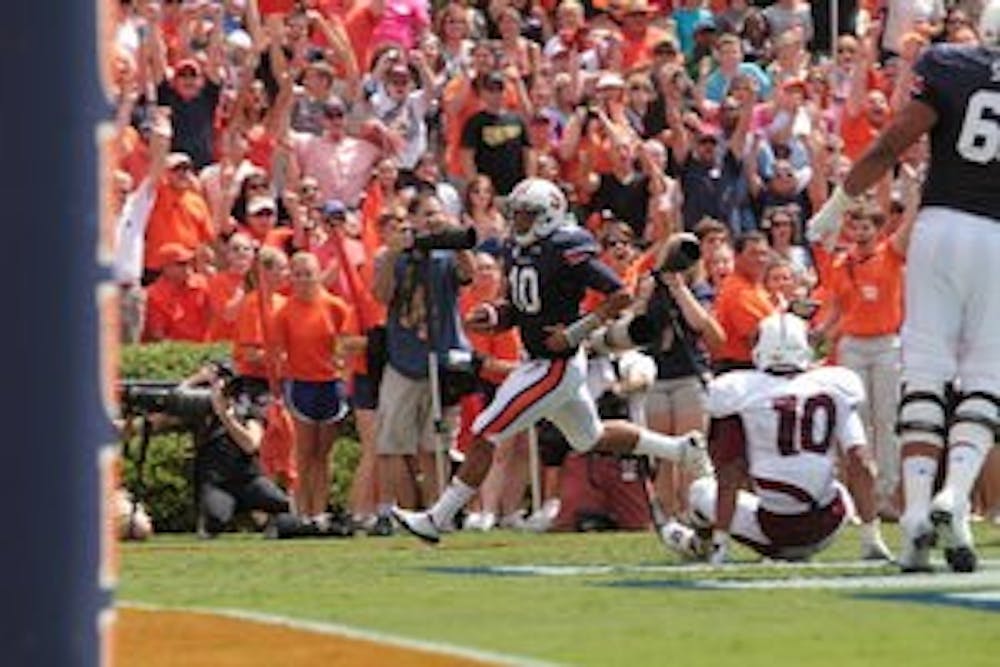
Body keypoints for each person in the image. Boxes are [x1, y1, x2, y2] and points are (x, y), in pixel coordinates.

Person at [392, 178, 713, 544]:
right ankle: (680, 449)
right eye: (515, 215)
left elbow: (619, 295)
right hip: (542, 360)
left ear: (549, 216)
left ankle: (438, 518)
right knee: (589, 437)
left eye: (527, 216)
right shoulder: (515, 247)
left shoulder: (566, 246)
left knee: (485, 431)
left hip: (554, 364)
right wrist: (494, 316)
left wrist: (575, 333)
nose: (518, 223)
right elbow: (520, 306)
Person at [806, 3, 1000, 573]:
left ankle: (917, 512)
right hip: (996, 235)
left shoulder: (949, 64)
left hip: (939, 228)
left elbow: (892, 143)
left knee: (925, 369)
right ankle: (954, 493)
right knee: (986, 376)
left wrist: (840, 204)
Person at [661, 313, 891, 564]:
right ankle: (872, 541)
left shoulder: (740, 389)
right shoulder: (836, 386)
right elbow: (861, 463)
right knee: (834, 488)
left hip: (773, 531)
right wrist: (871, 535)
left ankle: (704, 545)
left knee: (700, 491)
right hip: (829, 523)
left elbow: (730, 473)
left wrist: (722, 543)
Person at [273, 252, 359, 520]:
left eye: (308, 273)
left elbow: (348, 341)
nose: (303, 280)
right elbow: (277, 351)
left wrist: (343, 368)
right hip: (301, 384)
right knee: (304, 451)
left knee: (323, 452)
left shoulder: (335, 306)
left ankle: (319, 510)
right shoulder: (284, 312)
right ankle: (302, 510)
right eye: (297, 274)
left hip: (330, 384)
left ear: (319, 274)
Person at [182, 363, 291, 538]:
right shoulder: (198, 409)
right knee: (216, 520)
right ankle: (209, 520)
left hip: (248, 480)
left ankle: (269, 522)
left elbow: (250, 444)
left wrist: (225, 416)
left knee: (284, 505)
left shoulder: (246, 412)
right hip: (217, 483)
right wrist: (195, 380)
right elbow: (173, 400)